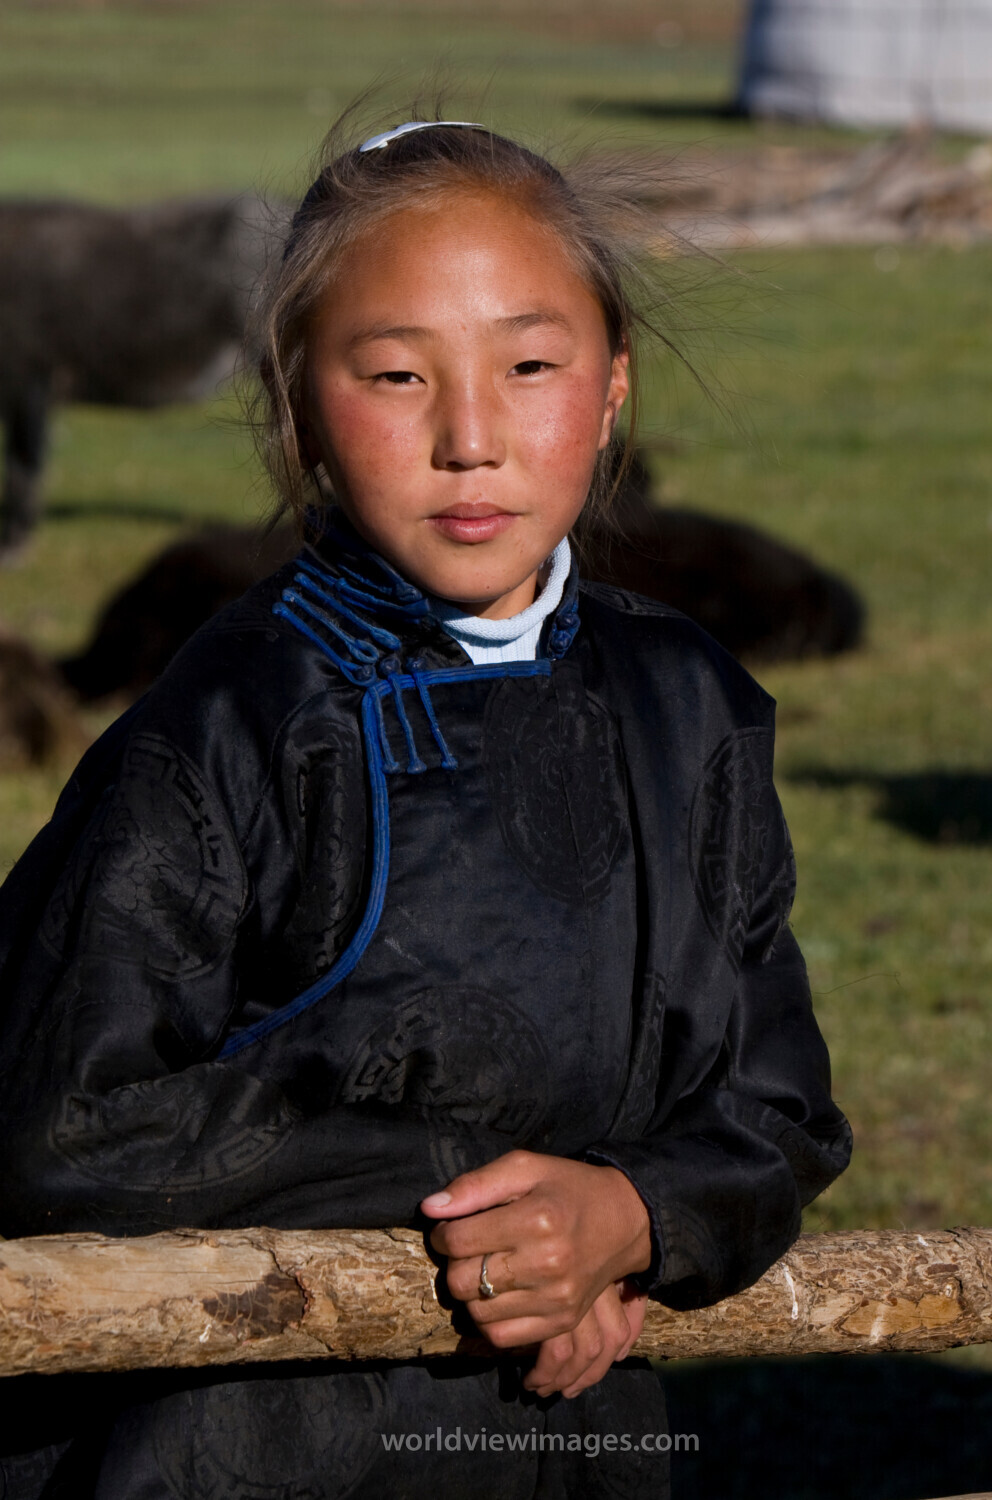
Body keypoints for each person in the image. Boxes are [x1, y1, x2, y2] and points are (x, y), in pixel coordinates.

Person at [0, 115, 852, 1499]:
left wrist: (633, 1218)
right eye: (396, 375)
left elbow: (777, 1106)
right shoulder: (229, 727)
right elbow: (54, 1121)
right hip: (250, 1453)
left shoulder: (692, 710)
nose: (471, 437)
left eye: (530, 366)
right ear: (298, 401)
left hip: (568, 1447)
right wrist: (485, 1199)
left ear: (615, 384)